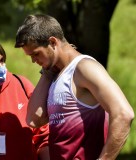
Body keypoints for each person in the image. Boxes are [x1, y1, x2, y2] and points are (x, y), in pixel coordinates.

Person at [14, 14, 134, 160]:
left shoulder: (84, 68)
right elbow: (34, 120)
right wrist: (46, 72)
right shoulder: (55, 74)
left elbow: (124, 114)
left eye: (36, 54)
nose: (33, 60)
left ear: (52, 42)